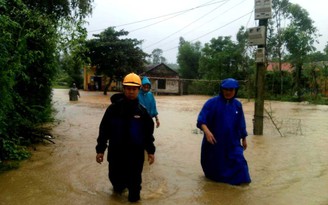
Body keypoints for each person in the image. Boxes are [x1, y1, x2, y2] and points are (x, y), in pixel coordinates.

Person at [95, 73, 156, 202]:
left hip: (135, 155)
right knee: (117, 187)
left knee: (134, 193)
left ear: (138, 90)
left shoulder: (142, 112)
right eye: (128, 88)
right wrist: (100, 150)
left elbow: (148, 134)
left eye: (134, 89)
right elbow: (104, 130)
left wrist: (151, 151)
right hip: (116, 153)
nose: (131, 92)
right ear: (124, 89)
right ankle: (119, 188)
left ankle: (133, 196)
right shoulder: (113, 109)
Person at [196, 78, 251, 185]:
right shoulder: (211, 103)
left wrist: (244, 138)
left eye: (231, 90)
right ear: (221, 89)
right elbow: (201, 120)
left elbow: (241, 123)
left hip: (233, 142)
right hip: (215, 142)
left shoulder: (237, 105)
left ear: (235, 91)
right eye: (226, 89)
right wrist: (207, 132)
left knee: (241, 165)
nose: (228, 92)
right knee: (215, 172)